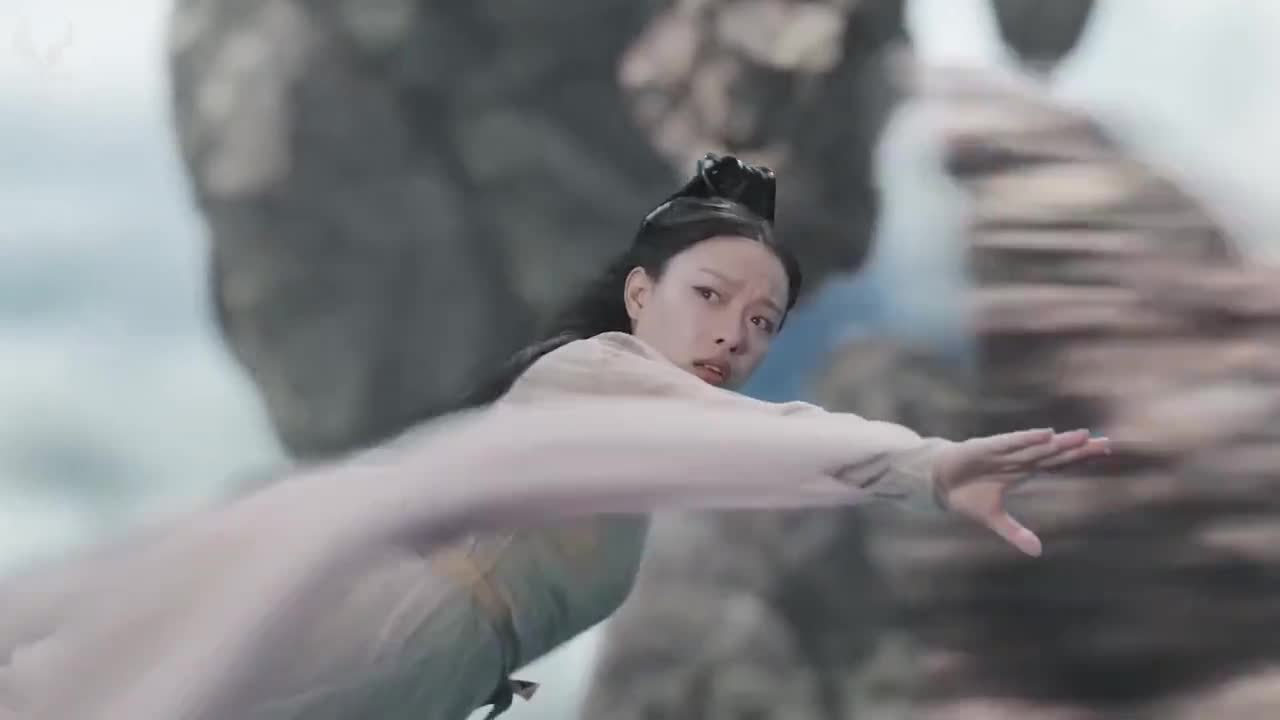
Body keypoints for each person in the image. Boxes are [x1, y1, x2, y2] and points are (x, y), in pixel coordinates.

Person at [0, 155, 1109, 720]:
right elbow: (774, 440)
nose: (735, 334)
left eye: (764, 321)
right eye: (711, 297)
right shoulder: (597, 375)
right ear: (639, 295)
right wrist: (927, 467)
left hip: (416, 659)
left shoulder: (635, 434)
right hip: (374, 630)